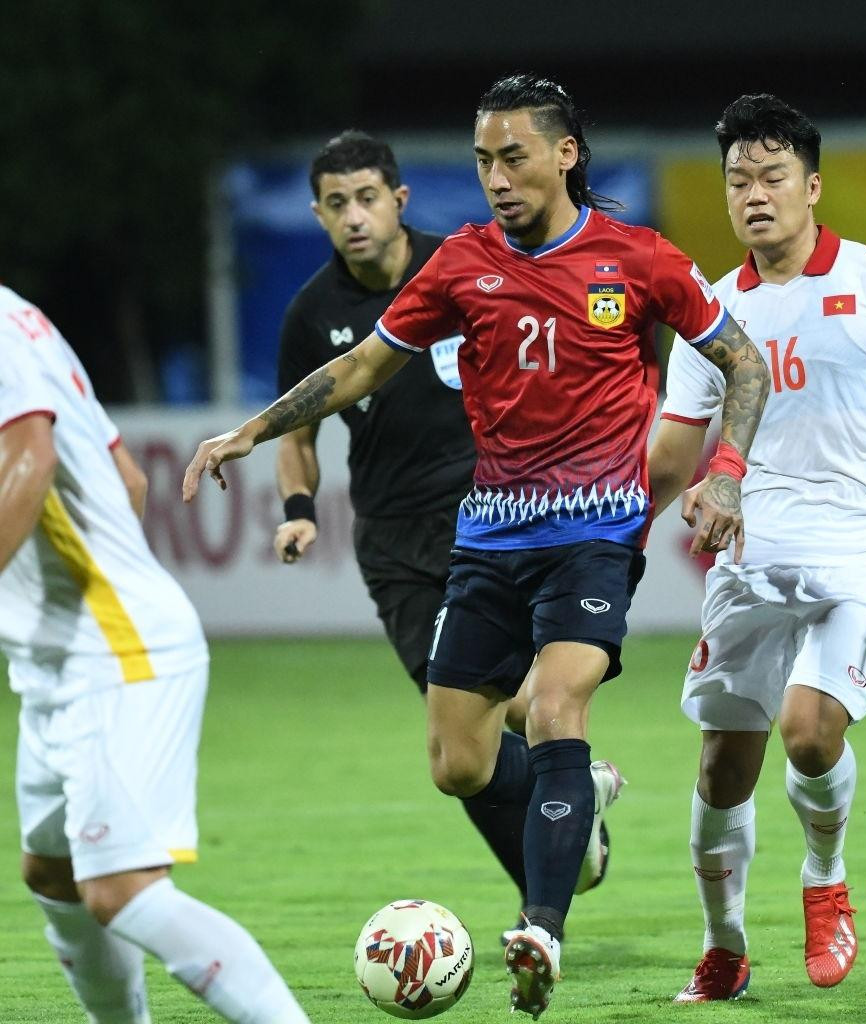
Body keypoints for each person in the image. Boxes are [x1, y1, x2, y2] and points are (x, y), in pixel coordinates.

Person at [184, 73, 769, 1018]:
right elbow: (363, 365)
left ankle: (541, 929)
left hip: (594, 534)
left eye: (514, 157)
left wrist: (728, 471)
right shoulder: (461, 263)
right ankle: (581, 800)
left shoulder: (638, 258)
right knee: (458, 763)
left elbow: (743, 361)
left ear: (565, 154)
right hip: (488, 540)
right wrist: (252, 431)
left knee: (556, 706)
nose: (496, 178)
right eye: (484, 161)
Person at [648, 93, 866, 1004]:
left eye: (772, 177)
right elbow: (675, 452)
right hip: (752, 554)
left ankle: (826, 877)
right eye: (737, 180)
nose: (753, 195)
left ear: (812, 186)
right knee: (722, 768)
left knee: (808, 733)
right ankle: (724, 949)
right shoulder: (713, 311)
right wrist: (669, 501)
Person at [0, 285, 310, 1024]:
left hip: (111, 654)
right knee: (54, 874)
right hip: (65, 655)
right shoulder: (22, 319)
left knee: (121, 890)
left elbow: (30, 455)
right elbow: (128, 480)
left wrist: (106, 611)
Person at [274, 130, 560, 929]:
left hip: (488, 520)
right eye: (336, 204)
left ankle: (563, 802)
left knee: (523, 705)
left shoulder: (462, 268)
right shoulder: (311, 314)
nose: (353, 217)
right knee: (459, 744)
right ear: (318, 214)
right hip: (394, 545)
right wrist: (298, 511)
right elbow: (298, 437)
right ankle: (557, 849)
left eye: (367, 198)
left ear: (398, 200)